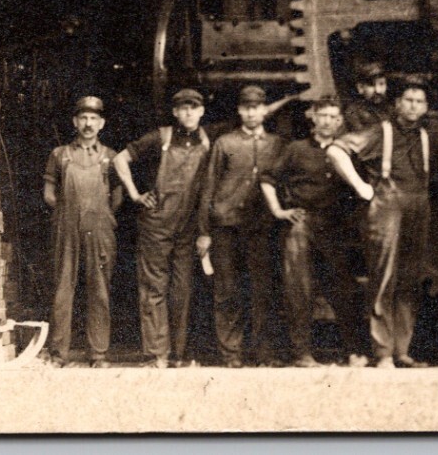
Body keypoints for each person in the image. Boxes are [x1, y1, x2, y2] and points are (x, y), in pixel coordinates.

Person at [328, 78, 434, 368]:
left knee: (409, 279)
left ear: (425, 107)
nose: (413, 106)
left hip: (417, 206)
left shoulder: (426, 135)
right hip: (386, 205)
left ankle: (402, 349)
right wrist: (361, 187)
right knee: (383, 277)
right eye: (408, 100)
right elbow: (336, 151)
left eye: (419, 101)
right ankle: (383, 351)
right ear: (397, 104)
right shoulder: (381, 131)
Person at [261, 100, 368, 367]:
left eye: (333, 116)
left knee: (343, 287)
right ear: (313, 118)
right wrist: (278, 211)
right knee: (300, 289)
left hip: (336, 225)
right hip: (302, 224)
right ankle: (302, 353)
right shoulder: (296, 149)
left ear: (340, 121)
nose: (328, 121)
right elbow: (267, 179)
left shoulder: (348, 151)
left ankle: (353, 352)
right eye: (323, 116)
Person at [111, 87, 211, 368]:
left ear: (201, 111)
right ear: (175, 112)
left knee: (182, 289)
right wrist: (134, 194)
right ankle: (157, 354)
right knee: (154, 287)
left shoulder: (207, 139)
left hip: (187, 225)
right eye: (183, 108)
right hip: (156, 224)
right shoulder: (160, 137)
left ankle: (177, 354)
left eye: (194, 107)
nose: (189, 112)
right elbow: (120, 159)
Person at [197, 84, 287, 368]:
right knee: (228, 290)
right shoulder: (225, 143)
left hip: (260, 228)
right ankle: (231, 353)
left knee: (262, 291)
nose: (252, 113)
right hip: (226, 226)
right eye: (247, 107)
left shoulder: (276, 144)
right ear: (239, 110)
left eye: (257, 107)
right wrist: (204, 231)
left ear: (265, 110)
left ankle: (264, 353)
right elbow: (208, 188)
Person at [42, 96, 124, 368]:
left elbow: (118, 196)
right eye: (83, 118)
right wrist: (69, 212)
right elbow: (49, 194)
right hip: (67, 228)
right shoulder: (60, 154)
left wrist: (101, 216)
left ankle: (98, 354)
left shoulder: (110, 157)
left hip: (99, 229)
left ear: (101, 123)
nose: (88, 124)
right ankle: (58, 353)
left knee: (99, 289)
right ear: (75, 122)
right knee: (63, 287)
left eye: (93, 119)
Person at [343, 58, 390, 133]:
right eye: (371, 85)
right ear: (360, 88)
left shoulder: (390, 109)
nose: (377, 90)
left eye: (381, 84)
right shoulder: (353, 112)